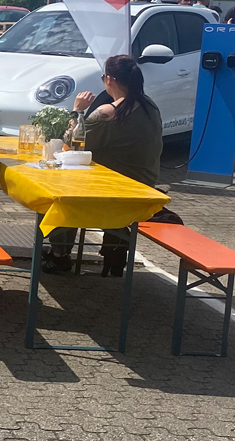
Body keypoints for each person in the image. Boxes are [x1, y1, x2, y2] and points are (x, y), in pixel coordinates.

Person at [44, 54, 167, 277]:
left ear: (109, 79)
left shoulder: (109, 113)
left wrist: (78, 111)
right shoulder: (150, 105)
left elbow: (73, 143)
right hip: (144, 187)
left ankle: (59, 254)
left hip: (114, 191)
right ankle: (112, 246)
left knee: (60, 194)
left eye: (103, 77)